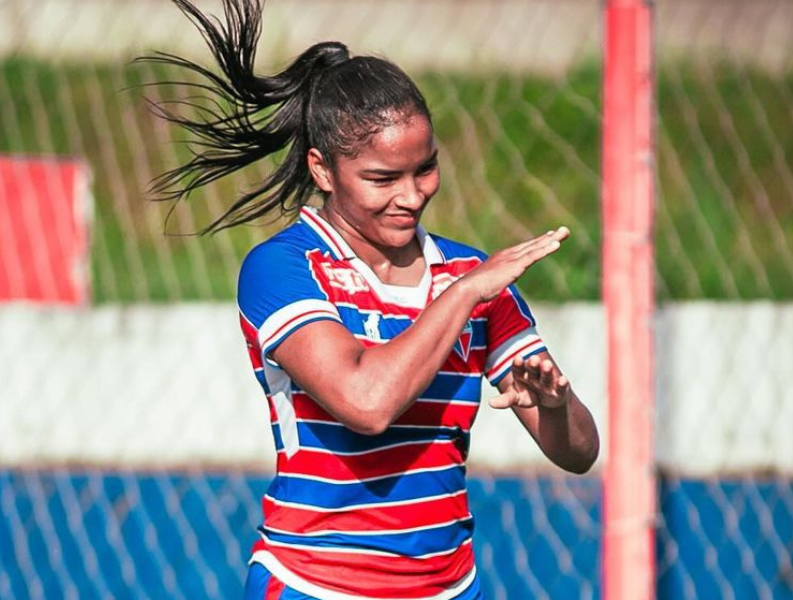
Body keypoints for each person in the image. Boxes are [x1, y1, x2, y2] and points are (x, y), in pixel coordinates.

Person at [145, 1, 600, 598]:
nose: (411, 197)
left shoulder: (470, 275)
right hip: (314, 584)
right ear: (324, 169)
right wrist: (463, 296)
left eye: (426, 169)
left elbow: (579, 453)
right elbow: (366, 402)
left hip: (452, 587)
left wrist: (557, 404)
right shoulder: (284, 268)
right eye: (383, 179)